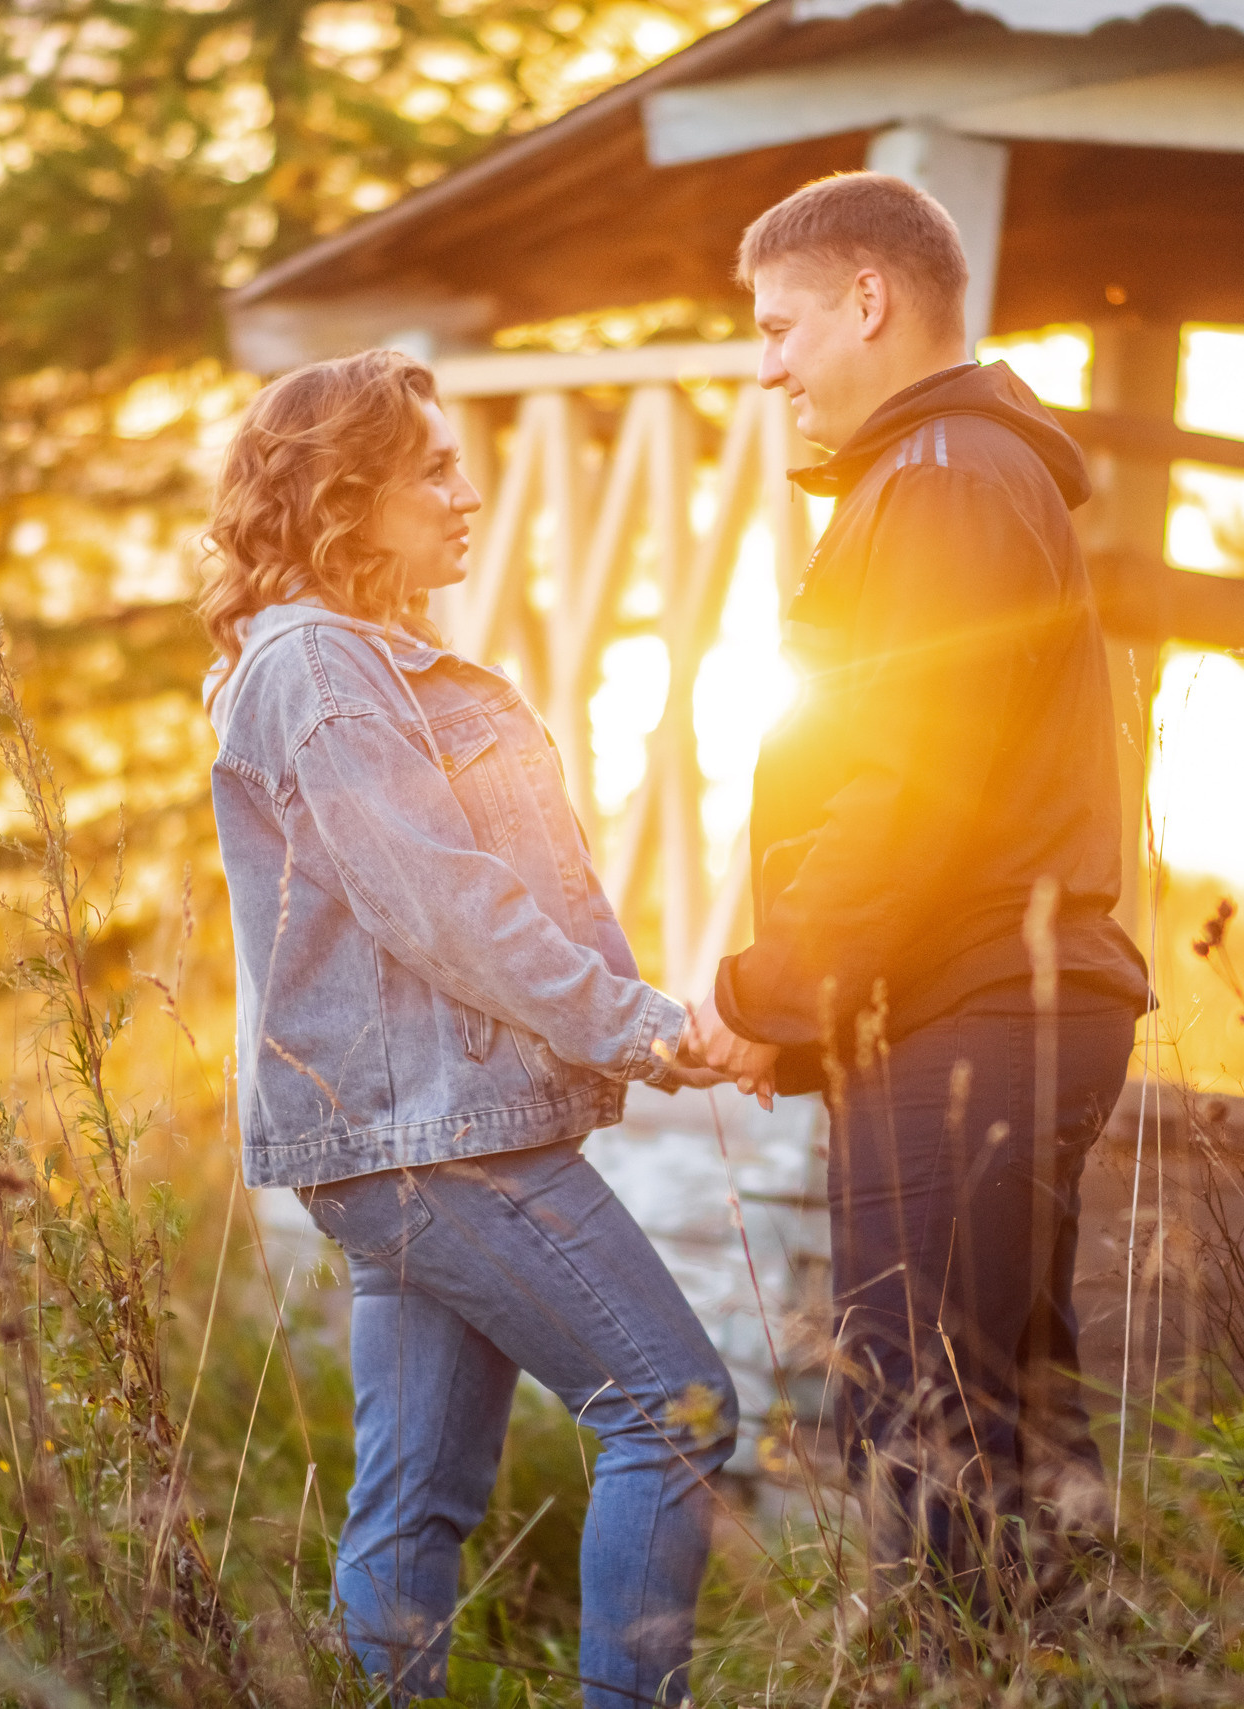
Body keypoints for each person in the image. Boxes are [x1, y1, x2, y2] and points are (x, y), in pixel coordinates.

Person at [200, 349, 738, 1707]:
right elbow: (437, 900)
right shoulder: (319, 664)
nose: (467, 491)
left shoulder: (341, 658)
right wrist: (637, 1024)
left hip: (400, 1138)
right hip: (435, 1135)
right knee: (673, 1410)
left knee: (421, 1488)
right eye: (433, 468)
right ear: (343, 493)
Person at [685, 173, 1152, 1588]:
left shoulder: (945, 481)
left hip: (976, 1018)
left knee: (932, 1420)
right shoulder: (940, 475)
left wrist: (770, 993)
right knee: (994, 1425)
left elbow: (905, 787)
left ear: (870, 302)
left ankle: (949, 1679)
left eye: (782, 326)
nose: (768, 366)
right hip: (962, 1009)